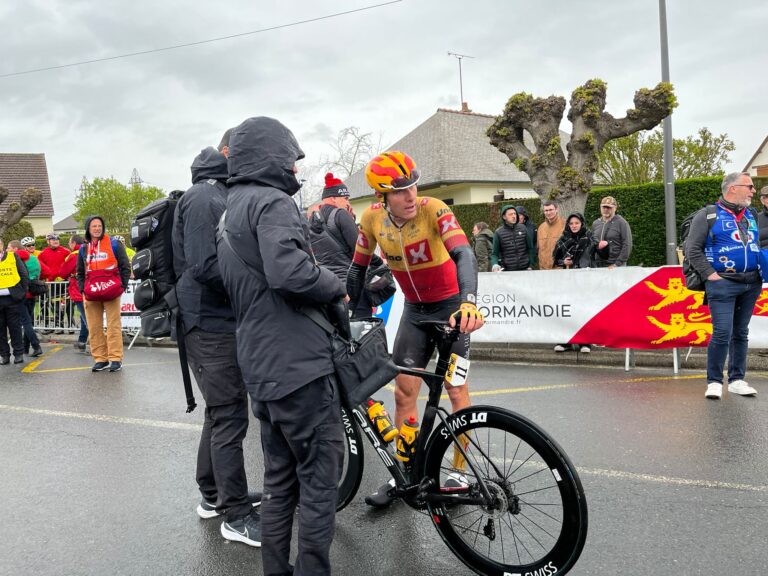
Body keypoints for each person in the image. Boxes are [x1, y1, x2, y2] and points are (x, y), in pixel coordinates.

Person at [217, 117, 346, 576]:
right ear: (274, 155)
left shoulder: (231, 209)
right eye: (292, 158)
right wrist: (334, 284)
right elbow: (289, 273)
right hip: (299, 366)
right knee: (317, 483)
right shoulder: (272, 202)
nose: (296, 167)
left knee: (278, 484)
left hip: (260, 365)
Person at [347, 150, 484, 507]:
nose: (410, 196)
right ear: (381, 197)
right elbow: (357, 271)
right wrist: (347, 310)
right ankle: (404, 474)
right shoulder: (372, 219)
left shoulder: (434, 208)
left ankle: (458, 472)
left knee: (456, 391)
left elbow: (464, 255)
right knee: (403, 392)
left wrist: (468, 301)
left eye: (412, 186)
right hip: (414, 314)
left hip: (452, 310)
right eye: (399, 191)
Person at [172, 145, 262, 545]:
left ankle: (213, 497)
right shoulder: (205, 196)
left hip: (213, 321)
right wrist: (254, 284)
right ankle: (235, 515)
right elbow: (204, 265)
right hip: (207, 324)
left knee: (219, 413)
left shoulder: (214, 193)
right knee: (229, 416)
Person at [685, 172, 761, 399]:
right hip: (722, 284)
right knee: (722, 333)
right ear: (732, 188)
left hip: (751, 283)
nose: (753, 191)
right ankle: (715, 381)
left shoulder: (751, 214)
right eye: (749, 186)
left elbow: (757, 243)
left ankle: (737, 379)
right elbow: (692, 249)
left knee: (741, 333)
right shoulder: (707, 215)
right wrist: (710, 275)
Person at [306, 172, 382, 319]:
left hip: (330, 287)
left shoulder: (312, 222)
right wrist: (380, 263)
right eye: (345, 198)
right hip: (352, 286)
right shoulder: (340, 214)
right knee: (362, 332)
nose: (348, 203)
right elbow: (360, 250)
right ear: (334, 198)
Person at [76, 216, 131, 372]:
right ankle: (101, 358)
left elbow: (125, 266)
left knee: (114, 326)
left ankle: (115, 358)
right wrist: (83, 289)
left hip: (111, 290)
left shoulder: (114, 244)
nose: (97, 228)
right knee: (94, 327)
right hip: (91, 293)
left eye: (100, 225)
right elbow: (80, 272)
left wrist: (122, 286)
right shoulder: (83, 248)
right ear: (88, 228)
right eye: (94, 226)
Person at [552, 213, 595, 354]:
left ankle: (585, 342)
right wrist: (563, 262)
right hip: (568, 280)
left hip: (585, 278)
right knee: (568, 309)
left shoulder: (589, 237)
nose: (574, 226)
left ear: (581, 223)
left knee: (583, 309)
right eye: (571, 223)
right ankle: (566, 341)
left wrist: (603, 247)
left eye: (576, 223)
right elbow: (556, 258)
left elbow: (599, 254)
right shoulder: (564, 238)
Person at [7, 240, 43, 357]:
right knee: (29, 321)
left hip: (21, 294)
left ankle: (36, 346)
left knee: (25, 322)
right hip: (32, 293)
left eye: (9, 247)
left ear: (15, 249)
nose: (7, 250)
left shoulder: (13, 259)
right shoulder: (33, 258)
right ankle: (26, 348)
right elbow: (44, 271)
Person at [0, 238, 29, 364]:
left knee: (15, 327)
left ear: (2, 245)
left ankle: (18, 353)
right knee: (0, 330)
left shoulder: (13, 256)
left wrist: (22, 292)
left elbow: (24, 274)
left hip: (12, 298)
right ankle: (4, 355)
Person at [58, 235, 89, 350]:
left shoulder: (74, 255)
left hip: (78, 289)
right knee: (84, 316)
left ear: (73, 243)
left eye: (69, 243)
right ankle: (82, 340)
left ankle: (96, 345)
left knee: (87, 319)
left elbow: (62, 272)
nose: (68, 246)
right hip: (91, 287)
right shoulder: (90, 250)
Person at [591, 196, 632, 268]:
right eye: (604, 207)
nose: (606, 209)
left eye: (609, 207)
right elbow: (592, 243)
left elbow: (627, 244)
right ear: (600, 208)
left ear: (615, 208)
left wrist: (617, 264)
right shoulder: (595, 223)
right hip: (598, 266)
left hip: (616, 265)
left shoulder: (621, 223)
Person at [491, 205, 533, 271]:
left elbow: (530, 248)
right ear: (504, 217)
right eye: (510, 214)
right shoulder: (498, 232)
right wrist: (495, 264)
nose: (514, 216)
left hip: (525, 269)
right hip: (507, 271)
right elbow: (494, 254)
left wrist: (531, 264)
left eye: (514, 214)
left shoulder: (523, 228)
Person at [537, 200, 565, 270]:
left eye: (551, 210)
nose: (548, 212)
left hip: (560, 269)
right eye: (546, 210)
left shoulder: (565, 225)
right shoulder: (541, 228)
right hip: (544, 270)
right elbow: (539, 250)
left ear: (556, 210)